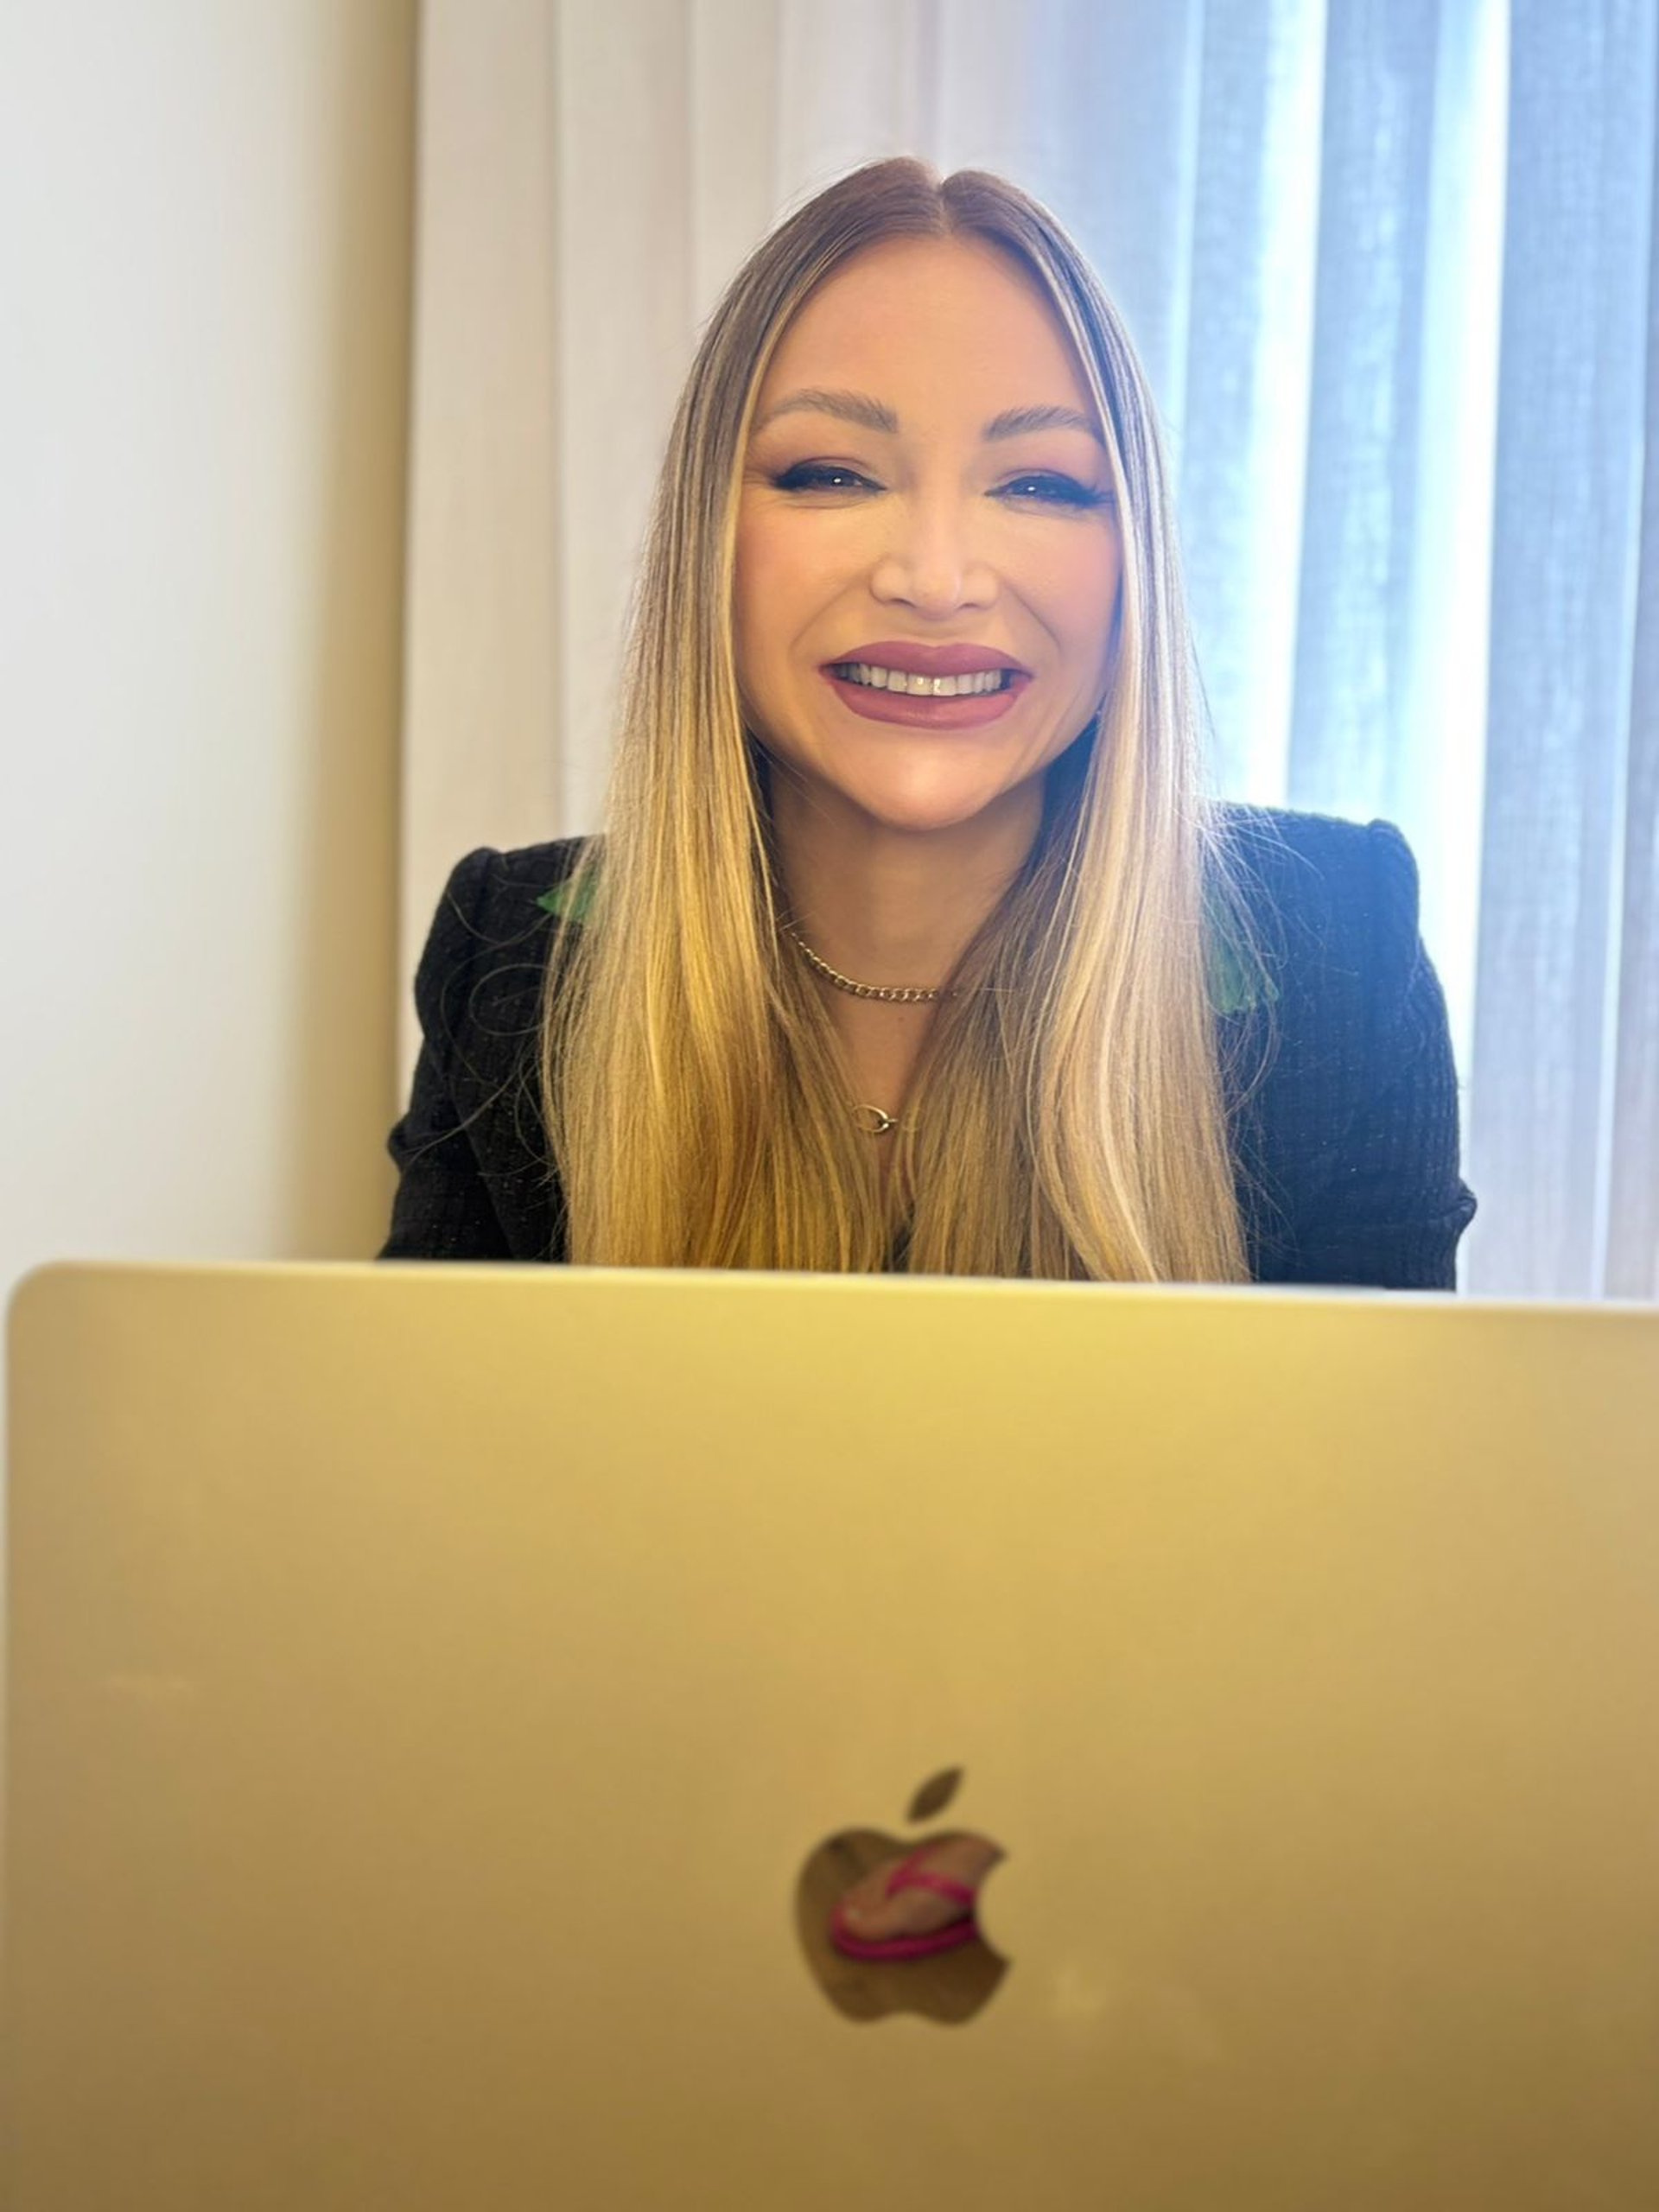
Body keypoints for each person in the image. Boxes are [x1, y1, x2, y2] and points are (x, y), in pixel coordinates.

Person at [378, 156, 1477, 1958]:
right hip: (624, 1954)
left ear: (1134, 567)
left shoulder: (1329, 948)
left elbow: (1393, 1648)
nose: (937, 571)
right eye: (829, 469)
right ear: (708, 543)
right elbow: (417, 1624)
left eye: (1042, 481)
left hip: (1192, 1974)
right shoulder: (523, 954)